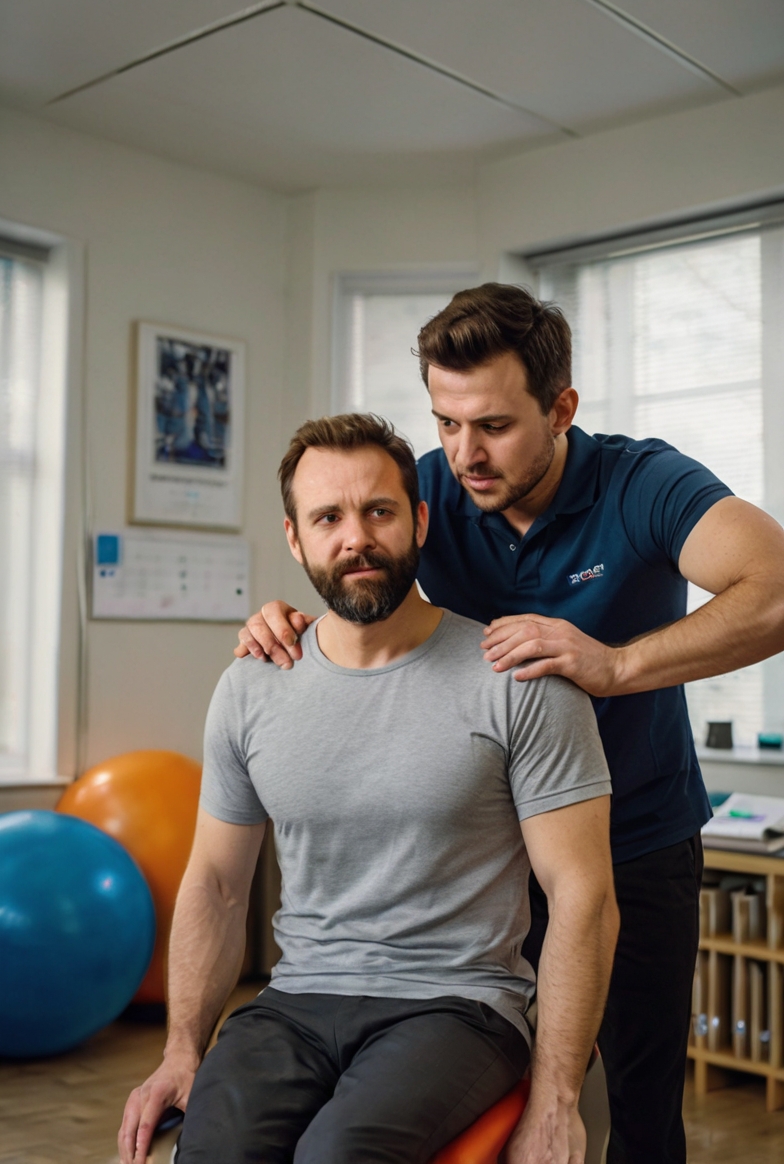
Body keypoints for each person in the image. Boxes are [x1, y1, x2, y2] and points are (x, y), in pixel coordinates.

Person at [237, 284, 784, 1164]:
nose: (463, 454)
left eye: (491, 424)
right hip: (481, 857)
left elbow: (775, 588)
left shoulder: (642, 482)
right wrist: (284, 620)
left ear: (561, 408)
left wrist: (618, 663)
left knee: (637, 1108)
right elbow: (359, 595)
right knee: (487, 1104)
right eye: (445, 423)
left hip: (633, 846)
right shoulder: (427, 489)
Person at [119, 413, 617, 1164]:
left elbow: (584, 894)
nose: (356, 538)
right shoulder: (251, 687)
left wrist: (557, 1099)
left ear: (418, 520)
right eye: (328, 517)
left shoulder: (516, 679)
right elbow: (218, 883)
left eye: (379, 511)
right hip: (294, 1003)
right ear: (295, 538)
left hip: (459, 1005)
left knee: (339, 1154)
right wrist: (181, 1051)